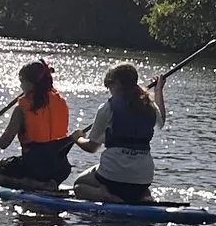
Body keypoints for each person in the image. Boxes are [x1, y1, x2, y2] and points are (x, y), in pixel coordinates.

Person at [71, 63, 167, 204]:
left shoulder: (107, 107)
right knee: (137, 185)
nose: (110, 92)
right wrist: (159, 90)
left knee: (79, 185)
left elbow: (92, 147)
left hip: (113, 175)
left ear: (116, 83)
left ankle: (103, 194)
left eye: (110, 87)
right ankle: (142, 195)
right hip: (143, 177)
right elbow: (162, 120)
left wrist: (77, 138)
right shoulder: (149, 105)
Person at [0, 60, 72, 191]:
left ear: (30, 84)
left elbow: (4, 142)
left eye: (21, 81)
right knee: (43, 163)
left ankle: (37, 185)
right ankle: (48, 183)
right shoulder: (61, 102)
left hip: (35, 168)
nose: (20, 85)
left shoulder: (22, 109)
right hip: (61, 169)